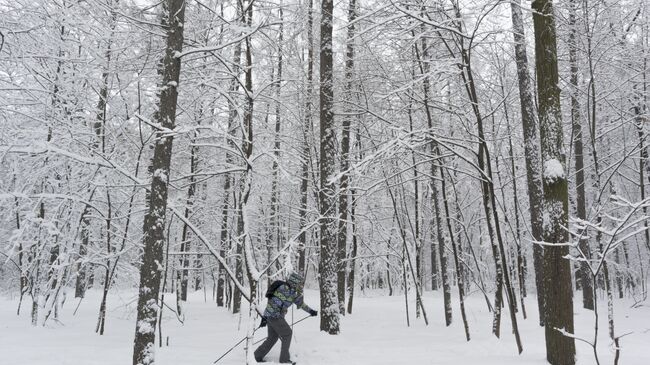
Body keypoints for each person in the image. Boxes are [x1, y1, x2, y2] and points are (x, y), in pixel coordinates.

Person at [254, 272, 317, 364]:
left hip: (272, 316)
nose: (300, 285)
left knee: (272, 338)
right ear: (295, 282)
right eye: (299, 283)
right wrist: (267, 317)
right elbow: (273, 302)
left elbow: (300, 303)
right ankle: (284, 359)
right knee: (287, 333)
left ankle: (256, 356)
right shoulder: (284, 289)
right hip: (275, 316)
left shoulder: (292, 292)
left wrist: (311, 311)